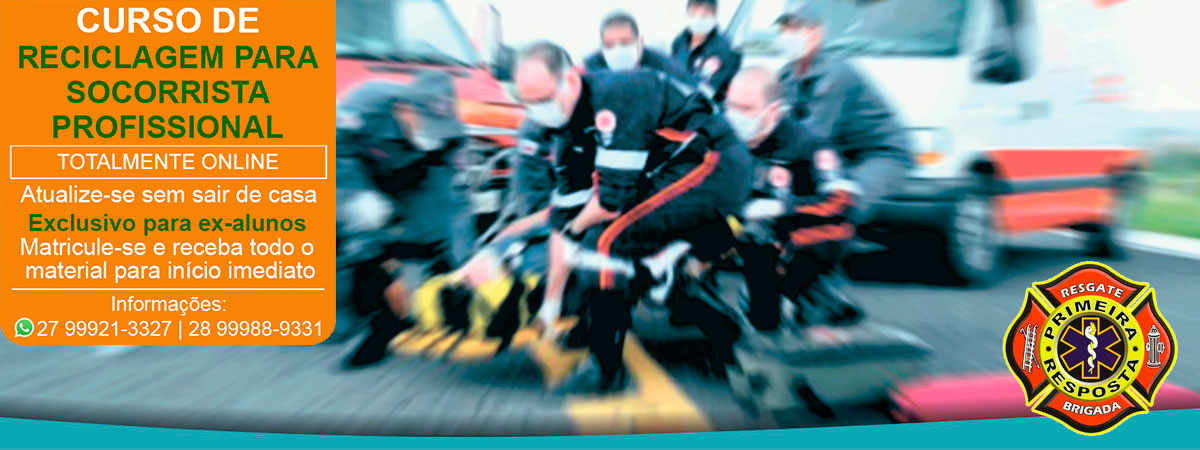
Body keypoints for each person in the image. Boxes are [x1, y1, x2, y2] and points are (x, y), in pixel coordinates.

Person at [512, 41, 750, 392]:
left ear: (570, 80)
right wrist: (551, 303)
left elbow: (610, 204)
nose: (538, 112)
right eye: (528, 103)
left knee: (607, 242)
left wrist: (576, 233)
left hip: (715, 166)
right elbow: (562, 224)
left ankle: (606, 370)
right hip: (676, 172)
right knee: (633, 255)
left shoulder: (616, 97)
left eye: (543, 99)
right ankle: (722, 335)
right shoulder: (567, 134)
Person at [336, 70, 475, 369]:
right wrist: (358, 198)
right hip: (353, 175)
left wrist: (463, 270)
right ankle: (372, 316)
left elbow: (455, 206)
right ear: (405, 109)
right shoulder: (365, 105)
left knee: (438, 236)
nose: (436, 135)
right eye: (428, 124)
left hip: (415, 178)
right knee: (356, 232)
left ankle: (444, 306)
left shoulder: (452, 135)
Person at [725, 66, 862, 333]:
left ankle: (814, 294)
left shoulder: (808, 144)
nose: (736, 116)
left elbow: (842, 202)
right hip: (750, 231)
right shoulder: (726, 141)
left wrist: (782, 208)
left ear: (772, 111)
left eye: (746, 109)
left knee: (759, 236)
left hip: (807, 235)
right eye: (732, 106)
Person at [773, 1, 911, 226]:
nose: (788, 35)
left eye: (796, 28)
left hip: (879, 156)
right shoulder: (787, 76)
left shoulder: (836, 75)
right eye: (784, 28)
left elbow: (814, 135)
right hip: (842, 155)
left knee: (840, 202)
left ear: (816, 33)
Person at [584, 10, 692, 82]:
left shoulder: (664, 68)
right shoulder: (589, 71)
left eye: (625, 43)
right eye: (610, 45)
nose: (617, 50)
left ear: (640, 43)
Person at [670, 0, 742, 102]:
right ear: (688, 12)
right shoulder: (679, 42)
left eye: (705, 12)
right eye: (695, 10)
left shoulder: (723, 49)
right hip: (677, 104)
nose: (699, 17)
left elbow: (706, 92)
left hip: (706, 108)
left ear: (714, 15)